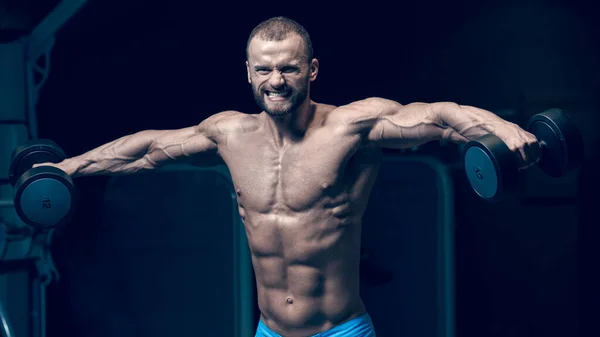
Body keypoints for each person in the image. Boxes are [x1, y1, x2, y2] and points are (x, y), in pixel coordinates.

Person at [39, 16, 541, 337]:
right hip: (270, 332)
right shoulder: (229, 134)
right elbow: (146, 148)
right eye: (264, 70)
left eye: (288, 69)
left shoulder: (353, 126)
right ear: (249, 73)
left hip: (339, 329)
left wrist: (501, 127)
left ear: (312, 70)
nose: (275, 81)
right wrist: (66, 169)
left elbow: (438, 117)